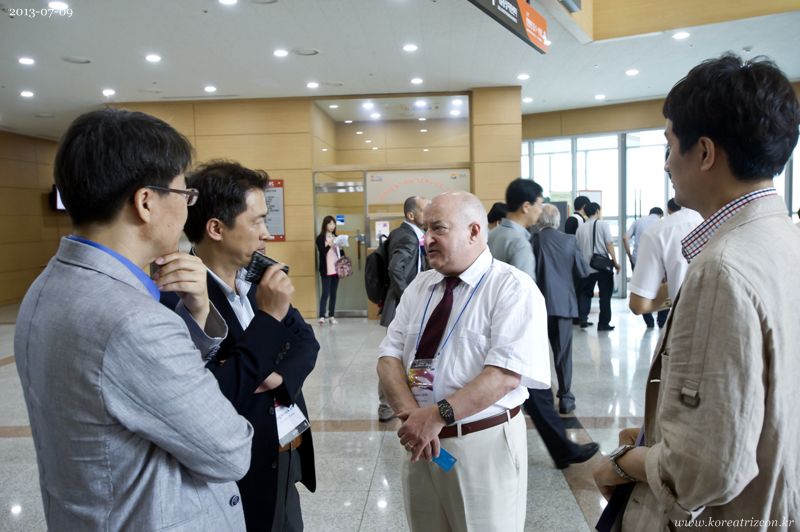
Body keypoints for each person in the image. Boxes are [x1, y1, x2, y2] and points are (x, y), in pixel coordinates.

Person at [14, 108, 254, 530]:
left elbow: (120, 386)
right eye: (184, 194)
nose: (187, 209)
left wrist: (196, 314)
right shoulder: (133, 320)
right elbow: (229, 452)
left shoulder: (46, 286)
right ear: (146, 202)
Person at [593, 54, 800, 530]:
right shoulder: (785, 240)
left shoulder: (723, 269)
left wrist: (622, 463)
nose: (667, 163)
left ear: (704, 152)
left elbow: (703, 468)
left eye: (669, 146)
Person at [377, 192, 551, 531]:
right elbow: (388, 357)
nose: (427, 239)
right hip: (422, 443)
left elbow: (503, 376)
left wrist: (435, 416)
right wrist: (414, 417)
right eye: (426, 229)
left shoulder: (511, 288)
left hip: (481, 445)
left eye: (438, 228)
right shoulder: (420, 286)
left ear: (473, 231)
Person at [175, 160, 319, 531]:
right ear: (216, 228)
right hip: (236, 474)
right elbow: (214, 395)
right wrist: (269, 321)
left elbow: (306, 342)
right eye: (256, 222)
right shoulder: (181, 299)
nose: (266, 233)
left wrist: (278, 379)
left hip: (284, 450)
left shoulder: (257, 281)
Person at [489, 179, 599, 466]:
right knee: (537, 390)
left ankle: (562, 449)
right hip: (515, 331)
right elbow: (522, 295)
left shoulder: (494, 235)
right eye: (539, 204)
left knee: (534, 393)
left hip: (494, 326)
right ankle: (563, 450)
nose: (541, 210)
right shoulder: (520, 243)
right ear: (526, 206)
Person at [532, 204, 591, 414]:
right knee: (563, 353)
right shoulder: (569, 240)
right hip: (564, 304)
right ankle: (566, 397)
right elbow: (583, 271)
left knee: (535, 352)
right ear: (558, 221)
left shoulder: (533, 240)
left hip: (537, 305)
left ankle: (537, 399)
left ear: (539, 220)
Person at [378, 196, 429, 421]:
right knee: (393, 355)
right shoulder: (407, 236)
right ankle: (386, 405)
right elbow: (395, 268)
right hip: (401, 304)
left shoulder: (411, 234)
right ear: (411, 215)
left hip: (406, 302)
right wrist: (409, 296)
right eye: (424, 211)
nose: (428, 215)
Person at [628, 198, 702, 322]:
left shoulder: (658, 229)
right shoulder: (724, 223)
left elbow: (638, 305)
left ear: (668, 210)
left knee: (647, 292)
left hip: (684, 321)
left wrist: (675, 284)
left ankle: (651, 322)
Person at [576, 202, 620, 331]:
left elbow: (577, 247)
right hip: (602, 266)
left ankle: (583, 319)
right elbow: (609, 244)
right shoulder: (602, 224)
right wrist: (615, 262)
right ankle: (603, 323)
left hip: (586, 267)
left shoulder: (580, 228)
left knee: (585, 293)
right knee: (605, 295)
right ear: (597, 211)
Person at [623, 207, 666, 328]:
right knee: (662, 289)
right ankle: (662, 320)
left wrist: (629, 255)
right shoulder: (662, 222)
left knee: (641, 291)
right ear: (660, 215)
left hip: (638, 260)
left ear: (649, 213)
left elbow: (625, 238)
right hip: (658, 261)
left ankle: (649, 322)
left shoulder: (638, 222)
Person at [315, 216, 341, 324]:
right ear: (325, 225)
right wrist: (330, 244)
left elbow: (341, 254)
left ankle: (331, 315)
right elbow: (322, 251)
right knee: (325, 293)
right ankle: (322, 315)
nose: (332, 226)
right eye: (330, 223)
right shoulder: (320, 238)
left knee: (333, 293)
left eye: (333, 224)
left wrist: (341, 247)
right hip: (326, 270)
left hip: (336, 269)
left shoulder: (337, 237)